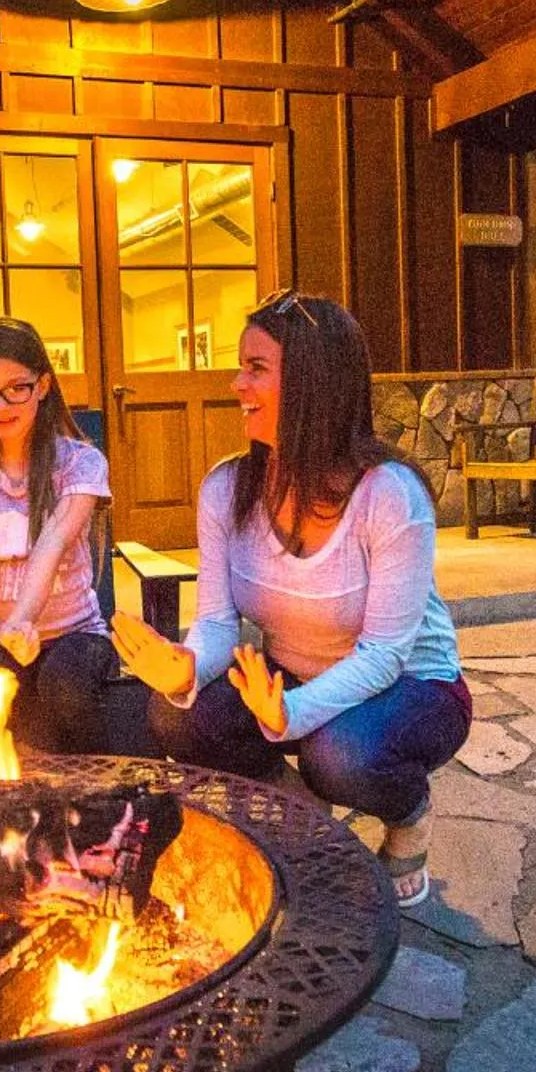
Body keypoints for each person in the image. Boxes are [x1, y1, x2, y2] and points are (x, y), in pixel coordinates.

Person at [112, 289, 469, 908]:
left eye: (256, 368)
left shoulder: (390, 495)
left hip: (412, 685)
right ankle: (307, 818)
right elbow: (219, 619)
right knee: (176, 713)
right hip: (288, 680)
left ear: (311, 384)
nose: (235, 383)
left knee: (340, 755)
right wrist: (189, 666)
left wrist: (291, 716)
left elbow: (386, 653)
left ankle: (409, 809)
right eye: (240, 365)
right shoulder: (227, 487)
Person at [0, 318, 138, 753]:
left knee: (63, 684)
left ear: (42, 385)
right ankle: (12, 802)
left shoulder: (80, 463)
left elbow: (55, 538)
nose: (0, 405)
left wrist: (25, 617)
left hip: (76, 634)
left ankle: (98, 788)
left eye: (16, 387)